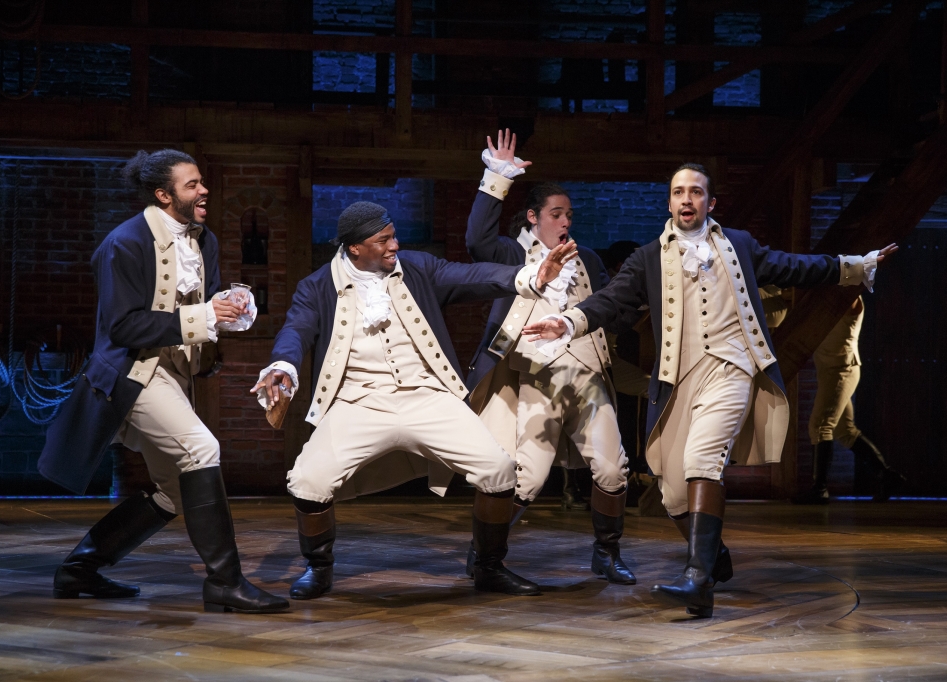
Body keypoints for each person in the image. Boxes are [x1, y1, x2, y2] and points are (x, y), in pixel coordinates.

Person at [523, 162, 897, 617]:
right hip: (679, 379)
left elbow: (793, 267)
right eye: (679, 192)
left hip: (732, 367)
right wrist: (567, 321)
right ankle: (713, 555)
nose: (687, 199)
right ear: (669, 202)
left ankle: (698, 580)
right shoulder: (647, 258)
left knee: (703, 460)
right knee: (673, 493)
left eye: (696, 192)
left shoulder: (738, 245)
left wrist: (853, 267)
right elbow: (609, 301)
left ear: (710, 202)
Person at [251, 199, 577, 599]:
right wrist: (283, 366)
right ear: (355, 247)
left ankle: (490, 566)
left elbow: (473, 274)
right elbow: (296, 330)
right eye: (384, 240)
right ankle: (319, 568)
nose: (394, 245)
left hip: (429, 396)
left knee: (498, 470)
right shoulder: (318, 285)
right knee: (307, 482)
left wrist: (528, 277)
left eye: (394, 236)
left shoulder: (418, 268)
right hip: (358, 401)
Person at [38, 150, 288, 614]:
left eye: (201, 182)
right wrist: (204, 315)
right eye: (192, 184)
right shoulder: (126, 242)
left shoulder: (204, 239)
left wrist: (228, 308)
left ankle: (79, 570)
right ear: (163, 194)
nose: (203, 190)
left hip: (175, 374)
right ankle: (225, 583)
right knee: (202, 449)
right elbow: (123, 327)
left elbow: (202, 303)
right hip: (134, 373)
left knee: (174, 490)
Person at [463, 130, 636, 585]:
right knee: (528, 478)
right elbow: (476, 241)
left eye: (569, 214)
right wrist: (496, 176)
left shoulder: (589, 259)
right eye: (556, 214)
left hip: (587, 375)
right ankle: (485, 554)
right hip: (534, 377)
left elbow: (608, 310)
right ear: (534, 217)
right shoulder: (510, 252)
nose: (565, 221)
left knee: (613, 467)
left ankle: (607, 553)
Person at [796, 296, 905, 503]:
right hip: (831, 370)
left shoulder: (850, 297)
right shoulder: (830, 298)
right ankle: (887, 475)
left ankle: (819, 490)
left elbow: (842, 297)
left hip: (841, 370)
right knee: (844, 430)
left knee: (820, 426)